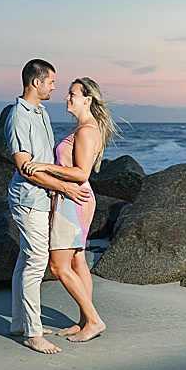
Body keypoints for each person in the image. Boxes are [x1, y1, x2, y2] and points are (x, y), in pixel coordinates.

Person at [23, 77, 121, 343]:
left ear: (88, 99)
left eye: (73, 94)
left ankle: (95, 320)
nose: (67, 97)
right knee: (78, 262)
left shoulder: (87, 130)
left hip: (74, 200)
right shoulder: (84, 128)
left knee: (58, 266)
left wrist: (44, 166)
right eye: (68, 93)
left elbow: (81, 173)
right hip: (72, 199)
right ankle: (84, 321)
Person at [5, 60, 92, 354]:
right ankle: (33, 332)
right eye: (51, 82)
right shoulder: (19, 116)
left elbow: (45, 162)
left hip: (44, 199)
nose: (55, 87)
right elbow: (25, 168)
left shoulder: (40, 112)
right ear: (35, 82)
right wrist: (64, 187)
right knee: (35, 263)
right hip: (29, 199)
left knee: (24, 261)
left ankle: (19, 323)